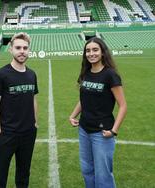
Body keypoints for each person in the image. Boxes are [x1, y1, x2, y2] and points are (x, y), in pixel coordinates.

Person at [68, 37, 127, 188]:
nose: (91, 53)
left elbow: (123, 106)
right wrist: (73, 115)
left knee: (103, 174)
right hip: (84, 130)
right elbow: (84, 99)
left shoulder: (110, 75)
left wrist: (114, 131)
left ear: (102, 52)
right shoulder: (86, 73)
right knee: (87, 170)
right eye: (88, 50)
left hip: (102, 133)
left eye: (95, 50)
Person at [0, 32, 38, 188]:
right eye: (18, 47)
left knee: (24, 175)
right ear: (11, 49)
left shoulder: (31, 74)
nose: (22, 51)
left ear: (29, 50)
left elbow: (33, 99)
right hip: (7, 133)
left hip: (28, 133)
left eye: (25, 48)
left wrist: (35, 123)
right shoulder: (1, 74)